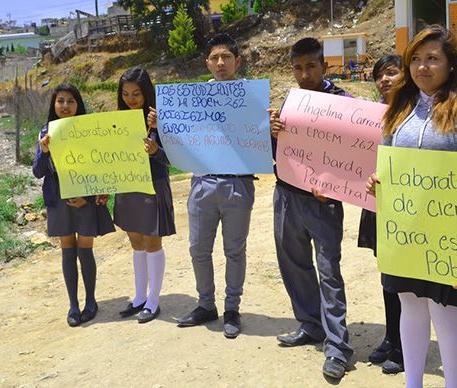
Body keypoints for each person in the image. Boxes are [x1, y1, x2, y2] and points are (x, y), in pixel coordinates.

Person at [366, 25, 457, 388]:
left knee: (447, 314)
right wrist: (378, 181)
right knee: (409, 306)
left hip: (454, 236)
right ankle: (414, 383)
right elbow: (387, 161)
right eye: (416, 60)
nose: (422, 68)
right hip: (406, 231)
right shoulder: (400, 108)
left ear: (452, 63)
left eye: (432, 59)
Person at [148, 33, 255, 339]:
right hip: (202, 183)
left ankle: (232, 309)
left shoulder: (251, 97)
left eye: (227, 57)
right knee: (198, 249)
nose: (221, 63)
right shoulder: (192, 100)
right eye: (215, 58)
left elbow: (260, 141)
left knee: (235, 251)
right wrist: (161, 127)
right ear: (207, 63)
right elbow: (180, 144)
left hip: (237, 185)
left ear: (238, 61)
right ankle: (206, 305)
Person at [269, 37, 353, 380]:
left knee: (329, 272)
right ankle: (310, 324)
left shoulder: (344, 103)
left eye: (311, 66)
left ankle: (338, 347)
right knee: (294, 264)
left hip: (324, 203)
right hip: (286, 194)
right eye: (298, 68)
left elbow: (353, 157)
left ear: (324, 65)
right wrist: (273, 131)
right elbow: (279, 147)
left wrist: (332, 188)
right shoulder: (290, 101)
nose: (304, 74)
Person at [32, 83, 115, 327]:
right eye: (60, 101)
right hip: (58, 200)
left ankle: (91, 302)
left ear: (78, 104)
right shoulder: (46, 131)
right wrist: (44, 151)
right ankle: (73, 305)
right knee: (67, 248)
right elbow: (38, 172)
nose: (65, 106)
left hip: (85, 198)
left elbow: (99, 167)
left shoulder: (89, 130)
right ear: (53, 104)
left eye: (70, 101)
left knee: (85, 249)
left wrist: (88, 198)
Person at [115, 67, 176, 323]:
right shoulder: (116, 122)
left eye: (136, 94)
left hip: (153, 184)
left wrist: (155, 149)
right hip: (128, 185)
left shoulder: (161, 119)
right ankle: (139, 296)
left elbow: (172, 158)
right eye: (126, 94)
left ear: (146, 93)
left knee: (152, 242)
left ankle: (153, 300)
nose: (131, 99)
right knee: (136, 242)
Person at [359, 54, 404, 375]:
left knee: (405, 281)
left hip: (408, 209)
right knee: (387, 276)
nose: (384, 80)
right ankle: (391, 337)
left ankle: (403, 348)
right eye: (379, 75)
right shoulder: (367, 115)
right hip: (379, 205)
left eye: (391, 73)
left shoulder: (415, 112)